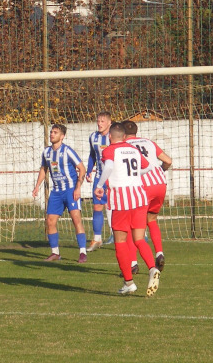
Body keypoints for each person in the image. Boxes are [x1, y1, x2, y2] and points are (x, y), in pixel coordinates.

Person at [94, 122, 160, 296]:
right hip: (139, 196)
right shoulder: (133, 150)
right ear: (124, 137)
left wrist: (100, 185)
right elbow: (148, 167)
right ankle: (152, 268)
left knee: (120, 241)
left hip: (122, 200)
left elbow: (108, 167)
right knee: (139, 238)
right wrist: (132, 176)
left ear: (110, 137)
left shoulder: (109, 150)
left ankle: (129, 282)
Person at [32, 124, 88, 263]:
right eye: (51, 132)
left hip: (70, 190)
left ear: (62, 136)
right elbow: (44, 169)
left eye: (55, 132)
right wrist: (37, 186)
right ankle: (55, 252)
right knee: (50, 221)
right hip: (56, 192)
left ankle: (82, 252)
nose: (52, 134)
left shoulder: (68, 151)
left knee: (76, 219)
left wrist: (78, 187)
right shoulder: (46, 152)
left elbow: (82, 168)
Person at [122, 120, 172, 272]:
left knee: (132, 226)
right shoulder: (149, 142)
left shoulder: (124, 146)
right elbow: (168, 161)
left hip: (142, 187)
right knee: (151, 220)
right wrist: (161, 170)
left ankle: (133, 264)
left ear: (123, 134)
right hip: (160, 183)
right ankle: (159, 253)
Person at [86, 111, 112, 251]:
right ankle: (97, 239)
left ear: (109, 122)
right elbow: (92, 155)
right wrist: (89, 170)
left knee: (119, 208)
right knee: (97, 207)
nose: (99, 123)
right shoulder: (93, 137)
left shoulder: (113, 136)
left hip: (114, 178)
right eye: (98, 121)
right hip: (99, 177)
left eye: (102, 121)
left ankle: (135, 235)